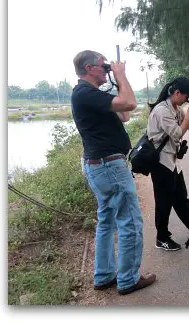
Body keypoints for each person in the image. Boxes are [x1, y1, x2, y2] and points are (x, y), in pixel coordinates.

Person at [71, 50, 156, 295]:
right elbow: (130, 103)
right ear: (90, 68)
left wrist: (117, 81)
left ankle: (104, 276)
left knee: (107, 221)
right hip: (108, 166)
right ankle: (128, 280)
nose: (107, 68)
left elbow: (124, 115)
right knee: (129, 221)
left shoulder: (91, 95)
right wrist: (120, 74)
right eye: (103, 66)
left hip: (101, 166)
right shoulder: (85, 93)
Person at [147, 76, 189, 251]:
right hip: (161, 163)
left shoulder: (174, 108)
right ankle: (161, 238)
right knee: (164, 202)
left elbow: (188, 125)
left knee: (180, 198)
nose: (188, 100)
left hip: (171, 161)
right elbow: (178, 133)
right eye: (187, 97)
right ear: (177, 93)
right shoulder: (162, 111)